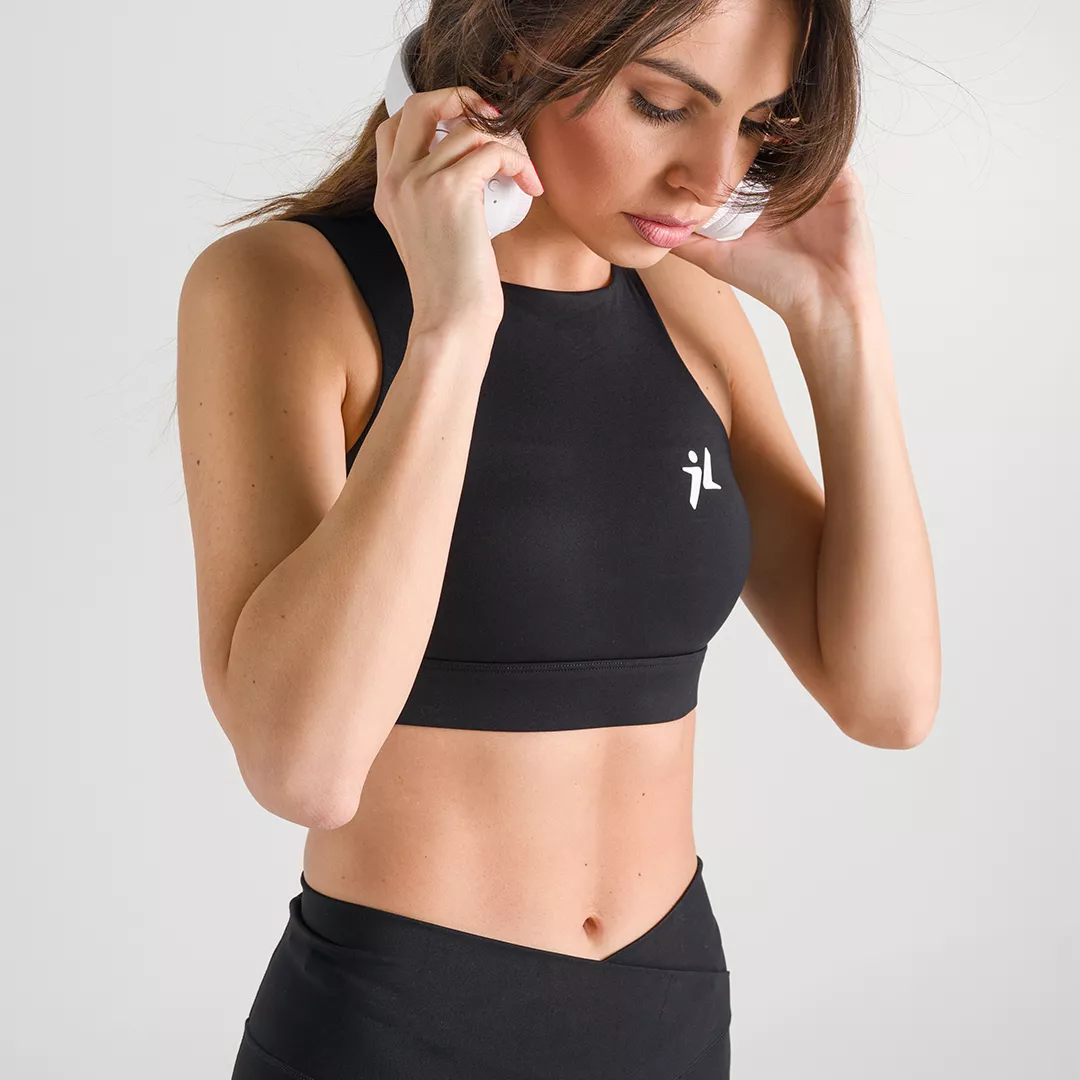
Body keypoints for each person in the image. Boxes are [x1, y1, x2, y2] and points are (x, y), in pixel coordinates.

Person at [176, 0, 940, 1075]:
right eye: (662, 105)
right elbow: (303, 769)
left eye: (756, 123)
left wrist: (838, 320)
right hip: (396, 1026)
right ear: (507, 56)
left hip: (668, 1006)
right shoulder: (287, 289)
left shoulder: (689, 310)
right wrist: (452, 326)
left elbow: (889, 701)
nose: (713, 178)